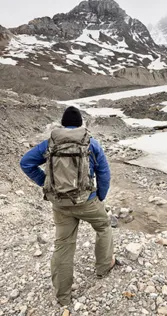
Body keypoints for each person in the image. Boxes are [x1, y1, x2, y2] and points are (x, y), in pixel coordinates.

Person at [20, 106, 117, 311]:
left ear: (63, 124)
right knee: (103, 227)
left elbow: (26, 163)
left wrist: (46, 183)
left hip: (60, 204)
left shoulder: (50, 143)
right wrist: (100, 196)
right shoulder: (91, 143)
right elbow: (104, 173)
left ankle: (63, 296)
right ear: (80, 124)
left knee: (63, 244)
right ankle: (103, 267)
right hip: (87, 201)